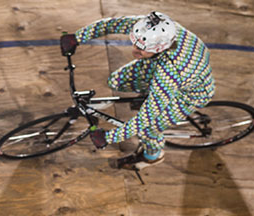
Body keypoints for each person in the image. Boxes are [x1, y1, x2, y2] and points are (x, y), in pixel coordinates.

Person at [60, 11, 215, 170]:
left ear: (160, 48)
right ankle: (150, 95)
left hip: (188, 94)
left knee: (148, 130)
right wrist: (78, 37)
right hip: (163, 66)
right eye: (134, 43)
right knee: (116, 81)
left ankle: (153, 157)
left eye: (141, 49)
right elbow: (111, 24)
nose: (134, 50)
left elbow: (145, 118)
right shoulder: (152, 29)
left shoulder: (170, 72)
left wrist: (110, 137)